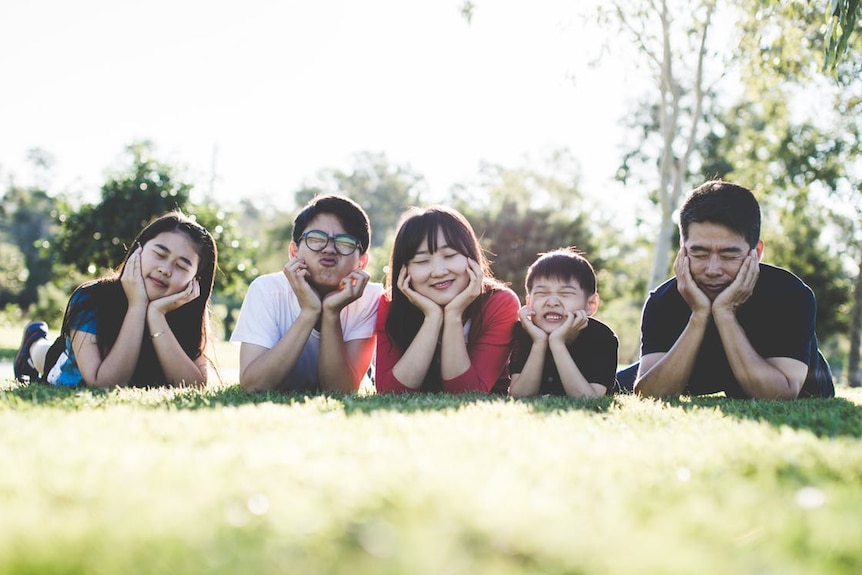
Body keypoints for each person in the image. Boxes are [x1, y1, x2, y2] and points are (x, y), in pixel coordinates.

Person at [619, 180, 834, 399]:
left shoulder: (791, 295)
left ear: (756, 253)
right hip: (698, 369)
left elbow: (781, 394)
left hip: (785, 371)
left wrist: (724, 313)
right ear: (683, 250)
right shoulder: (662, 301)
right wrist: (699, 315)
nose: (713, 270)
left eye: (729, 255)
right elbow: (648, 394)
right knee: (611, 383)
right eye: (700, 254)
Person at [13, 211, 218, 388]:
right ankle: (33, 341)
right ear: (139, 249)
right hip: (68, 364)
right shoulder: (91, 296)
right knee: (46, 354)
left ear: (195, 280)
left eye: (181, 266)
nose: (165, 269)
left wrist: (156, 315)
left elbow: (194, 386)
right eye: (159, 254)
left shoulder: (188, 310)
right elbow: (104, 383)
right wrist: (137, 306)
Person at [231, 194, 383, 393]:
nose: (329, 249)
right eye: (316, 239)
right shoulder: (266, 290)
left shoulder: (370, 298)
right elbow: (253, 386)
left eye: (345, 242)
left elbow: (340, 391)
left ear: (362, 262)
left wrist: (331, 312)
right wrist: (309, 312)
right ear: (294, 252)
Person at [375, 206, 520, 394]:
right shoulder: (390, 304)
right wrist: (432, 317)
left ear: (471, 257)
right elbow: (391, 392)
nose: (439, 271)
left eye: (450, 256)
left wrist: (453, 315)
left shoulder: (500, 303)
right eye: (422, 261)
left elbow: (466, 393)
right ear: (404, 270)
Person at [508, 248, 618, 398]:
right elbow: (520, 395)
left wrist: (557, 343)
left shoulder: (602, 337)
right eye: (542, 293)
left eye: (565, 294)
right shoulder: (525, 331)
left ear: (591, 304)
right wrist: (539, 342)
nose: (552, 302)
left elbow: (589, 398)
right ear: (529, 302)